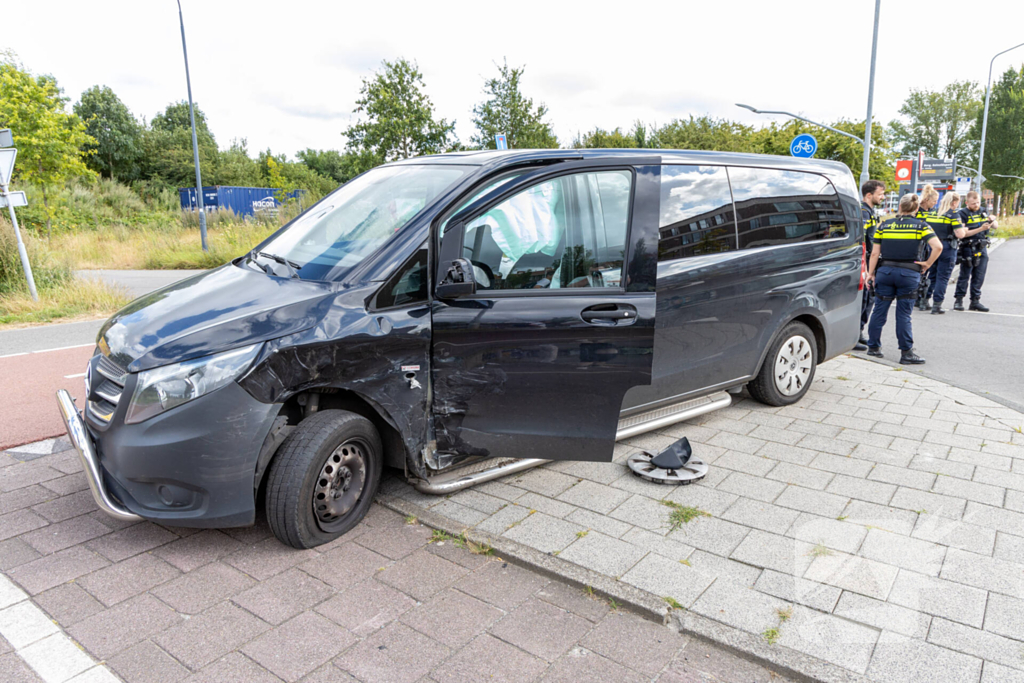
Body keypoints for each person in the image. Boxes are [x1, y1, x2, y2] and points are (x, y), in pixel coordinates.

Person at [865, 194, 942, 365]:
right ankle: (906, 353)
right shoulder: (921, 226)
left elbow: (875, 253)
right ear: (916, 208)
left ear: (900, 206)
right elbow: (938, 246)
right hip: (908, 274)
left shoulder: (884, 225)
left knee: (879, 311)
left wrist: (870, 273)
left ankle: (873, 347)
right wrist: (927, 264)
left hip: (885, 272)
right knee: (903, 314)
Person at [854, 180, 885, 351]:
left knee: (868, 299)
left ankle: (858, 333)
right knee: (864, 299)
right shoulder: (864, 213)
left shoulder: (869, 212)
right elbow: (862, 242)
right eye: (880, 194)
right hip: (864, 263)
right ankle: (854, 335)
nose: (883, 197)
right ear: (868, 195)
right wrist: (866, 269)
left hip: (868, 261)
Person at [954, 190, 997, 311]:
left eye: (978, 202)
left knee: (979, 275)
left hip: (981, 247)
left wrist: (992, 220)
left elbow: (995, 226)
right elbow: (963, 233)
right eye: (973, 203)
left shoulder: (983, 211)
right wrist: (980, 229)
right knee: (964, 275)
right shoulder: (962, 214)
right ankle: (958, 300)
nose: (976, 205)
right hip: (968, 247)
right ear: (967, 203)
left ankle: (975, 301)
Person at [924, 191, 967, 314]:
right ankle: (937, 305)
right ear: (954, 202)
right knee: (943, 277)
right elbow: (960, 234)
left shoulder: (932, 213)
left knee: (931, 275)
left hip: (931, 246)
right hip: (947, 247)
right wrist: (964, 229)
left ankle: (924, 300)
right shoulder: (953, 215)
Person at [913, 185, 942, 311]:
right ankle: (916, 297)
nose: (935, 203)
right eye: (934, 201)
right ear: (926, 199)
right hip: (917, 244)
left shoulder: (933, 212)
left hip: (928, 244)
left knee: (927, 273)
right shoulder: (916, 211)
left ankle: (922, 298)